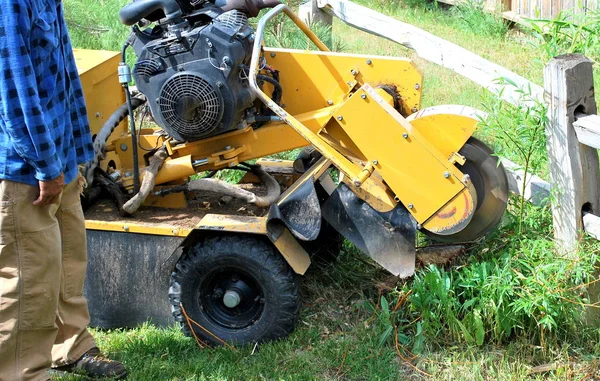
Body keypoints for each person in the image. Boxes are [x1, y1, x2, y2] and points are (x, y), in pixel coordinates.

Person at [0, 0, 127, 379]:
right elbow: (14, 93)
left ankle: (71, 347)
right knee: (27, 281)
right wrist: (46, 165)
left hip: (59, 156)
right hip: (25, 168)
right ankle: (19, 373)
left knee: (67, 258)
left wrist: (76, 153)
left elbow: (64, 73)